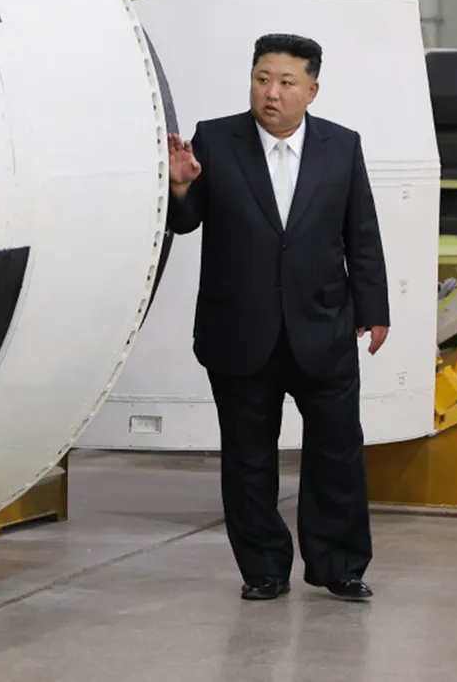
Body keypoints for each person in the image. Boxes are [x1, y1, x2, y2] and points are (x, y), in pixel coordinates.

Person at [166, 32, 390, 602]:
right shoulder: (215, 140)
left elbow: (361, 233)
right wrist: (180, 187)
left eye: (286, 82)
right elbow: (186, 222)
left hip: (323, 326)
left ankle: (339, 565)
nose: (271, 93)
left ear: (311, 90)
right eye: (261, 79)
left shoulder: (341, 146)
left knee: (337, 452)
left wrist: (374, 309)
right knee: (248, 457)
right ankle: (263, 568)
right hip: (240, 330)